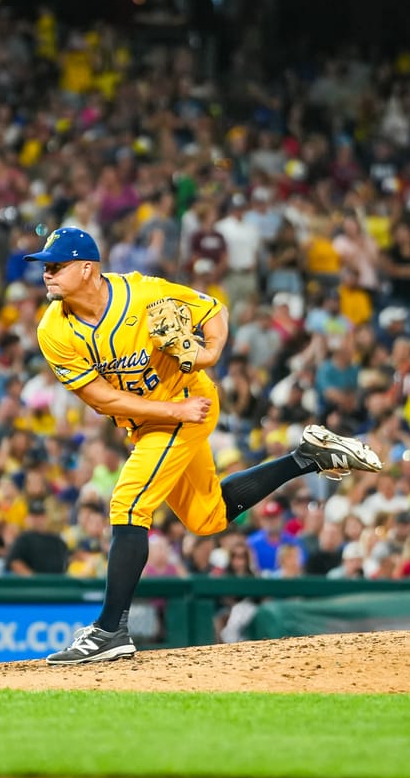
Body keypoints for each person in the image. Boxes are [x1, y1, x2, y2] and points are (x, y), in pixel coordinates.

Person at [24, 226, 383, 665]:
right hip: (161, 418)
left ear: (87, 268)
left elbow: (213, 311)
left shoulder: (143, 294)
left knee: (128, 502)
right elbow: (100, 397)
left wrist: (206, 354)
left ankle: (109, 629)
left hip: (186, 400)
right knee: (208, 517)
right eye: (45, 266)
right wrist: (171, 414)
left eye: (56, 266)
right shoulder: (53, 331)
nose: (47, 274)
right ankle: (307, 457)